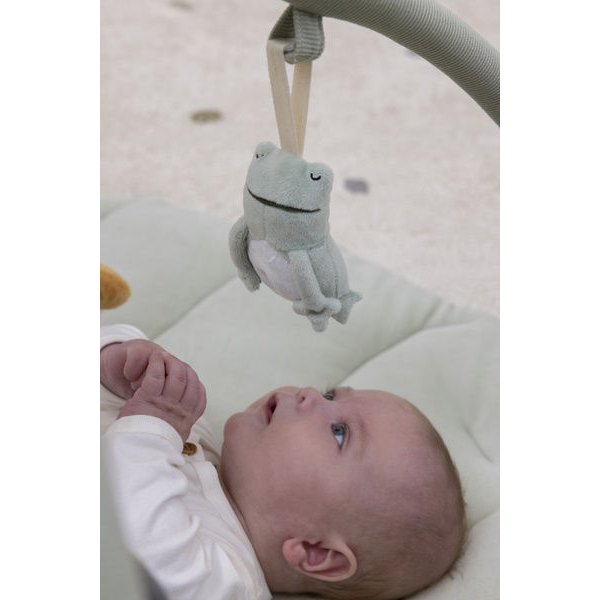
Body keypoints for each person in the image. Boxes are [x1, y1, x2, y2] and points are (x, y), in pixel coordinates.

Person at [101, 324, 466, 600]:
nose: (310, 395)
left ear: (316, 552)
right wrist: (119, 363)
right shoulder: (192, 441)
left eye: (339, 432)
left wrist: (153, 423)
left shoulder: (226, 580)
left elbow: (127, 541)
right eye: (330, 394)